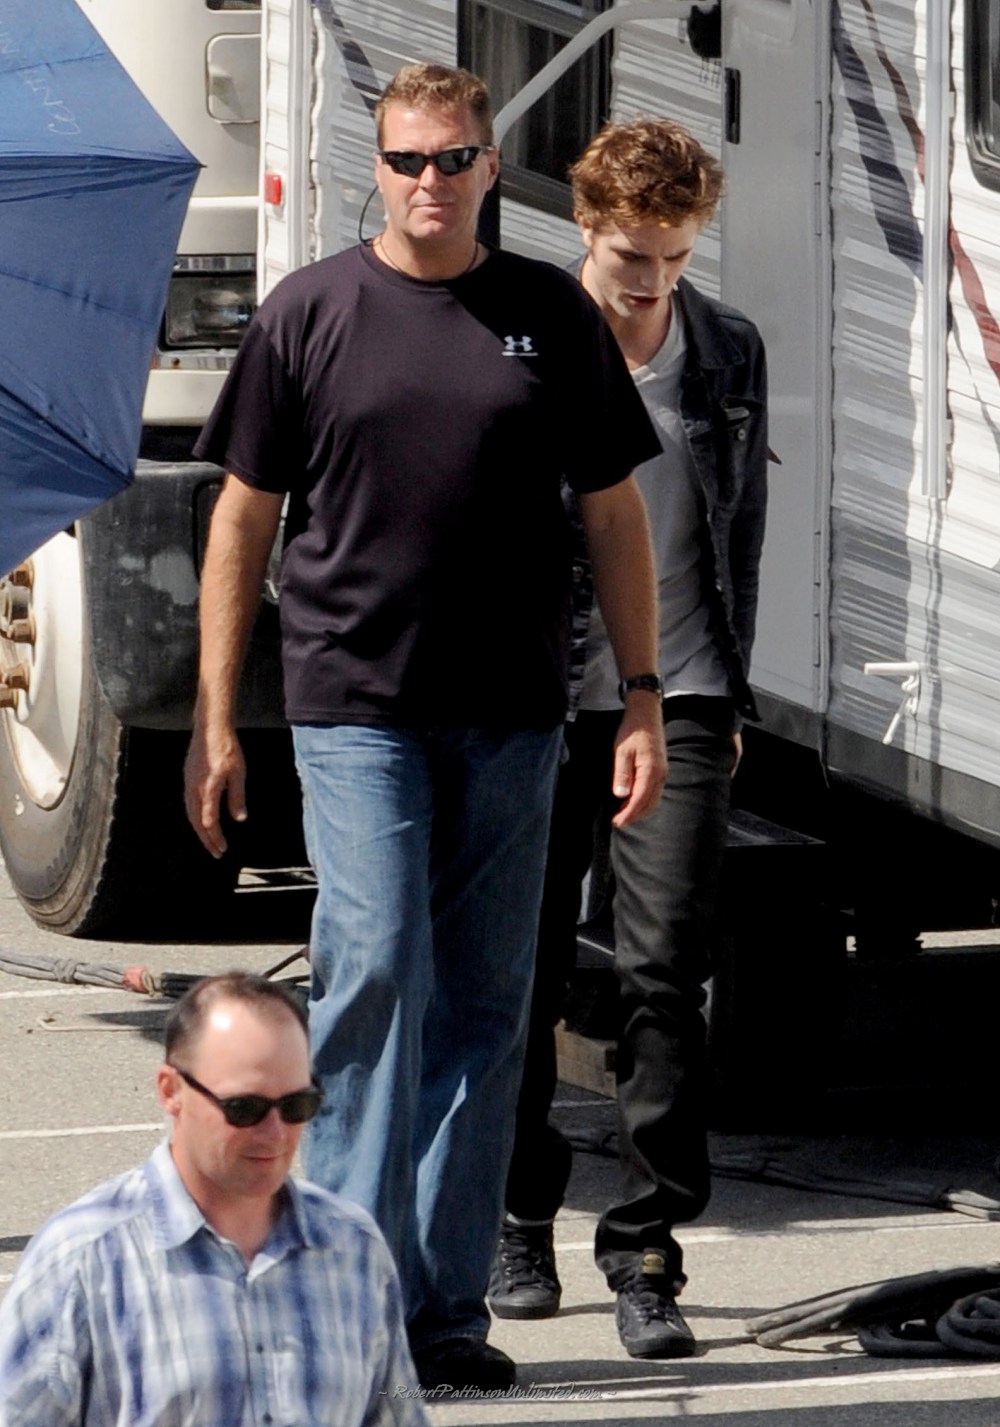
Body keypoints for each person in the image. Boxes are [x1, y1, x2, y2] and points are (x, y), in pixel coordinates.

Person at [183, 63, 667, 1391]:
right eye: (408, 160)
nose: (430, 182)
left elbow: (614, 512)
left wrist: (640, 690)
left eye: (454, 159)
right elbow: (242, 520)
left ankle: (444, 1311)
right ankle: (342, 1299)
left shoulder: (547, 316)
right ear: (377, 166)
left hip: (513, 710)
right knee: (378, 965)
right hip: (356, 706)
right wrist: (216, 716)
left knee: (485, 1006)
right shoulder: (310, 312)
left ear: (491, 168)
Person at [488, 116, 770, 1360]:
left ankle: (647, 1246)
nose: (650, 280)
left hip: (685, 691)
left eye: (673, 254)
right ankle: (517, 1213)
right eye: (627, 256)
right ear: (582, 228)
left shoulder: (725, 347)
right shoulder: (529, 339)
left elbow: (736, 523)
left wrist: (728, 697)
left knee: (666, 973)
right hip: (546, 692)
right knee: (525, 966)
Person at [0, 973, 427, 1427]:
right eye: (245, 1109)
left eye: (297, 1106)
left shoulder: (354, 1249)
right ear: (171, 1091)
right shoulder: (84, 1260)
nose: (275, 1133)